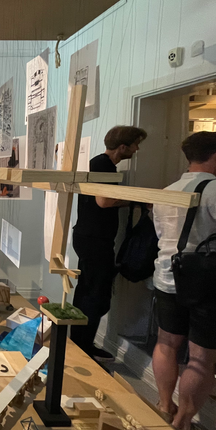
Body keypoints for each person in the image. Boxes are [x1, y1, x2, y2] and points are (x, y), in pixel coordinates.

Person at [152, 132, 216, 430]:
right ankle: (183, 424)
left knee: (166, 344)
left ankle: (164, 407)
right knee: (201, 358)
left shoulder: (168, 190)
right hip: (210, 283)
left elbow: (161, 233)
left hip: (168, 275)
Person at [71, 125, 148, 362]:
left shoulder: (98, 163)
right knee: (95, 295)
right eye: (135, 144)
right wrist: (137, 200)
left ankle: (79, 342)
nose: (137, 149)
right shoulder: (103, 165)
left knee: (87, 291)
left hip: (88, 237)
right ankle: (83, 346)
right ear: (123, 146)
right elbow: (104, 201)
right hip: (95, 240)